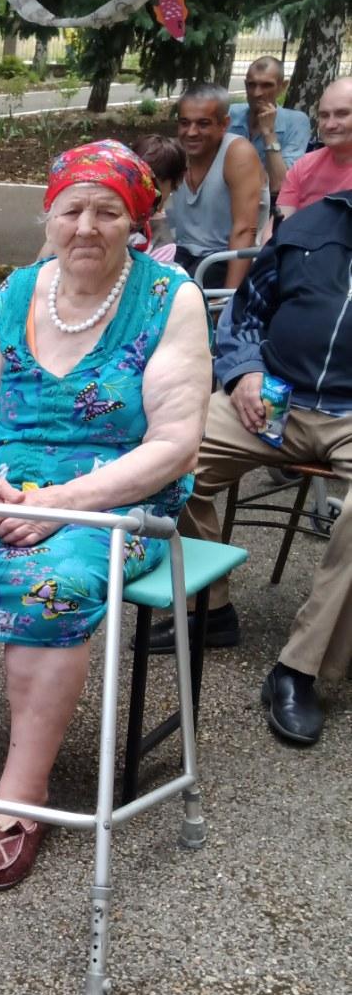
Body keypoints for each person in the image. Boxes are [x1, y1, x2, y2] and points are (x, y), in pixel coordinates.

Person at [0, 141, 210, 890]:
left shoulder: (169, 298)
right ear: (48, 216)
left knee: (51, 585)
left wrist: (60, 505)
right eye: (71, 209)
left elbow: (175, 445)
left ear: (137, 223)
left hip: (117, 494)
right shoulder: (19, 292)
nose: (86, 226)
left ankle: (23, 791)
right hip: (3, 485)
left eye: (107, 211)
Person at [148, 184, 352, 746]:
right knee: (171, 455)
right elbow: (245, 312)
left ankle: (301, 669)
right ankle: (209, 608)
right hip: (274, 398)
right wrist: (243, 371)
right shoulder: (311, 226)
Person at [166, 83, 268, 285]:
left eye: (203, 124)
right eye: (184, 123)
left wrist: (230, 297)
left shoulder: (238, 153)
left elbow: (244, 230)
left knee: (186, 297)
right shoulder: (176, 153)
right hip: (181, 256)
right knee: (152, 294)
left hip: (223, 259)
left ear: (224, 124)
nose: (191, 132)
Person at [228, 56, 312, 202]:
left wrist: (269, 133)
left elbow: (279, 185)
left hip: (268, 205)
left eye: (267, 85)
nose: (257, 93)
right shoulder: (231, 114)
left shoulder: (296, 122)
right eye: (251, 85)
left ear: (282, 86)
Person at [275, 77, 352, 216]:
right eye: (324, 115)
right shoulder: (304, 165)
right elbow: (279, 223)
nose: (330, 125)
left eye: (342, 114)